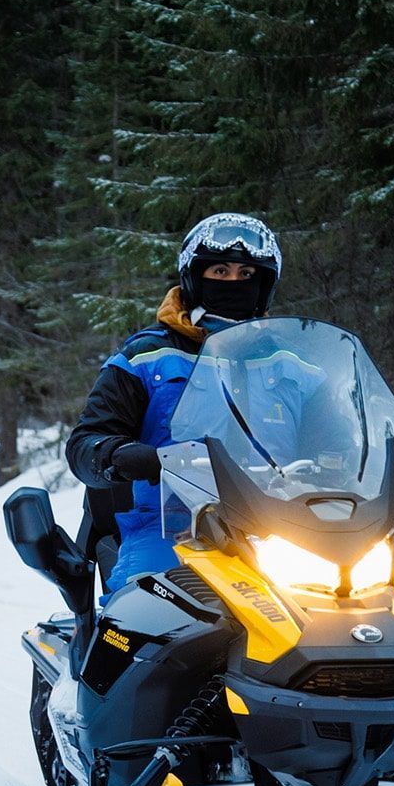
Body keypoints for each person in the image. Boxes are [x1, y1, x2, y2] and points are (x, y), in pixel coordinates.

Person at [65, 212, 283, 594]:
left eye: (246, 274)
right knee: (138, 616)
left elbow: (342, 440)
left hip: (280, 532)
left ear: (264, 283)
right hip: (171, 530)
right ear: (195, 277)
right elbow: (86, 442)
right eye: (220, 271)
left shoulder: (292, 364)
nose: (234, 282)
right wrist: (119, 455)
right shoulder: (146, 357)